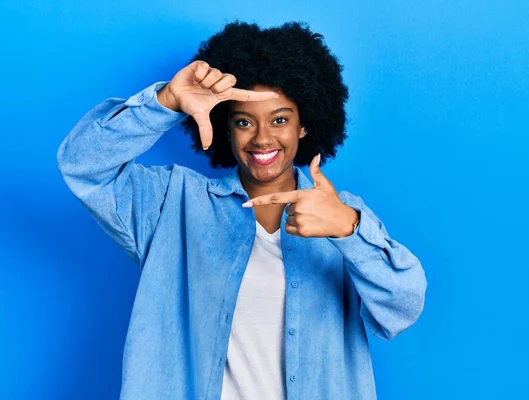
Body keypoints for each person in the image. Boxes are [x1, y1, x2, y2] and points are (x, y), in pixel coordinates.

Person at [57, 21, 427, 400]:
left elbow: (402, 307)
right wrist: (165, 102)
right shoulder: (173, 203)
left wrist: (349, 229)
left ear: (303, 126)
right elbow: (81, 164)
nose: (262, 138)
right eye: (244, 122)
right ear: (226, 129)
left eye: (280, 119)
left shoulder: (340, 214)